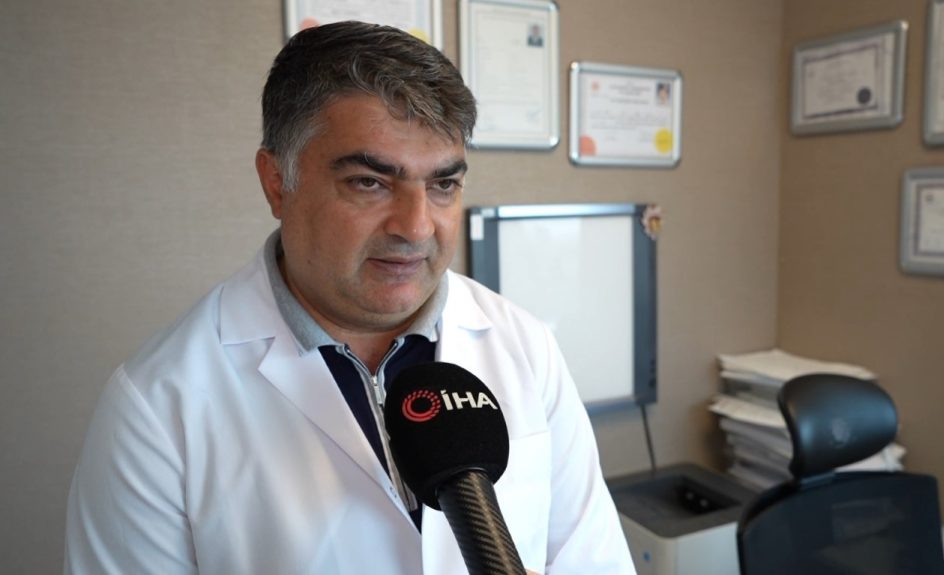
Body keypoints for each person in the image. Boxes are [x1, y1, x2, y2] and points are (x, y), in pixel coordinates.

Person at [64, 21, 635, 575]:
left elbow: (593, 559)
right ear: (276, 182)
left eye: (442, 184)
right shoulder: (157, 406)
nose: (416, 227)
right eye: (370, 182)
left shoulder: (525, 346)